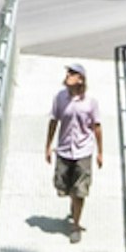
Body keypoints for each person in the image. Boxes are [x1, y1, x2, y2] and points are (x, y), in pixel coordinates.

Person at [44, 63, 103, 235]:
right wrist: (48, 146)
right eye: (67, 73)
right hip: (64, 150)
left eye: (72, 73)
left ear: (80, 79)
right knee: (63, 186)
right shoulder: (60, 98)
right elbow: (54, 122)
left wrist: (100, 152)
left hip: (83, 151)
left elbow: (97, 127)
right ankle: (73, 201)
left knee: (80, 191)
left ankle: (75, 225)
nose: (67, 75)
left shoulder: (91, 102)